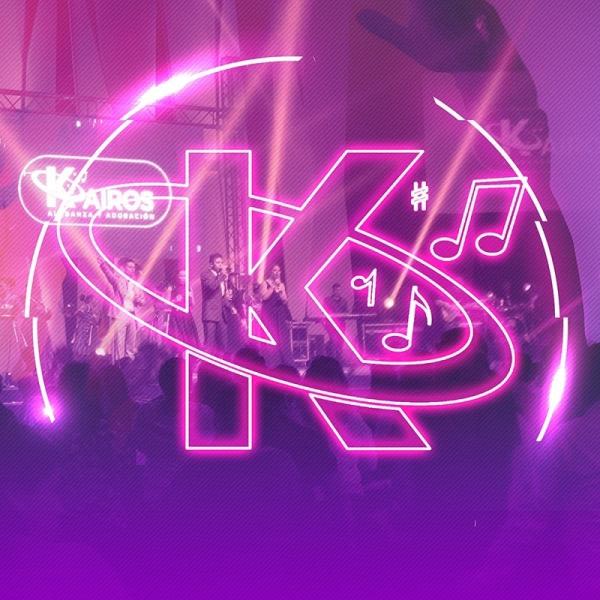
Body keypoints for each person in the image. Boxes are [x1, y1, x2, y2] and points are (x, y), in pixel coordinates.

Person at [99, 257, 145, 363]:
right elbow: (110, 276)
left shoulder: (135, 284)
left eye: (133, 267)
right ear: (124, 268)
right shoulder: (119, 280)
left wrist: (139, 300)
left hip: (131, 315)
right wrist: (103, 265)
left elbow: (142, 300)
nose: (132, 269)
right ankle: (118, 365)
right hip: (120, 315)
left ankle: (130, 365)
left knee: (131, 342)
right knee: (119, 343)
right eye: (130, 267)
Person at [259, 264, 293, 365]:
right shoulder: (265, 283)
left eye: (279, 271)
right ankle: (272, 361)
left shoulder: (281, 285)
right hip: (269, 313)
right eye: (275, 270)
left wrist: (281, 291)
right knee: (271, 336)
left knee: (282, 337)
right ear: (271, 272)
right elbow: (264, 297)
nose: (277, 273)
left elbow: (285, 300)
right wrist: (273, 287)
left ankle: (285, 362)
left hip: (279, 313)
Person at [162, 269, 198, 347]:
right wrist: (175, 300)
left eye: (185, 276)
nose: (183, 278)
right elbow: (165, 304)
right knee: (179, 339)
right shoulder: (172, 288)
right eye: (181, 276)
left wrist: (191, 297)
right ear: (177, 276)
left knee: (190, 339)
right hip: (176, 317)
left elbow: (193, 304)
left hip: (187, 317)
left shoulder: (189, 287)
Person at [200, 253, 228, 352]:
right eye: (218, 262)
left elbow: (221, 296)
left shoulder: (221, 277)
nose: (220, 265)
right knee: (210, 345)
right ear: (211, 264)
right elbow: (212, 286)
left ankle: (221, 361)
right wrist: (222, 276)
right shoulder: (205, 274)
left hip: (221, 314)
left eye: (221, 262)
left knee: (223, 344)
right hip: (210, 314)